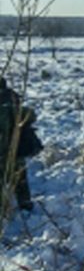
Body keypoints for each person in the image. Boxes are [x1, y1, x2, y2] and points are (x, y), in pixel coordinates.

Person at [0, 76, 34, 214]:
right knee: (20, 177)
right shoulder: (12, 97)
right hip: (15, 147)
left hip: (5, 148)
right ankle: (25, 204)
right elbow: (30, 116)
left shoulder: (7, 103)